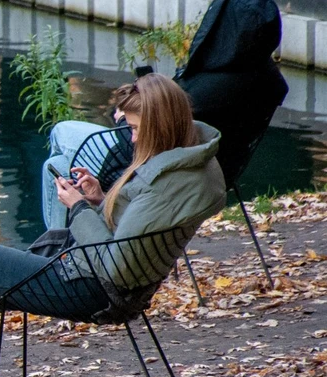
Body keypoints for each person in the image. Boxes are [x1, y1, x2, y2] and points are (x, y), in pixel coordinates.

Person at [0, 73, 226, 377]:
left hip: (94, 288)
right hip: (96, 277)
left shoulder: (164, 185)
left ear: (159, 126)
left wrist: (77, 209)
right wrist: (99, 200)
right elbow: (135, 232)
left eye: (134, 129)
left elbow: (116, 266)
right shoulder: (185, 168)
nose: (131, 140)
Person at [41, 0, 287, 230]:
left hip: (154, 165)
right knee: (56, 166)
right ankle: (66, 240)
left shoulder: (209, 88)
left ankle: (61, 243)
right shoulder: (266, 78)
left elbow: (164, 122)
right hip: (218, 171)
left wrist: (130, 117)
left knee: (61, 133)